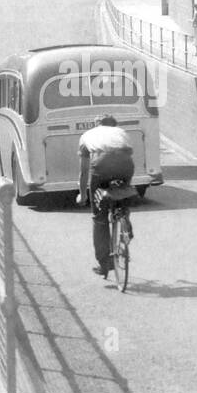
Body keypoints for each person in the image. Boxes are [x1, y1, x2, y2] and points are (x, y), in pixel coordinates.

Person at [75, 115, 136, 278]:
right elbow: (128, 153)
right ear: (115, 124)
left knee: (99, 218)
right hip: (126, 164)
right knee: (124, 192)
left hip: (101, 165)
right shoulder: (121, 132)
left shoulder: (87, 135)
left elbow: (84, 171)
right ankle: (125, 216)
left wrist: (82, 195)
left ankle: (104, 264)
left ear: (97, 124)